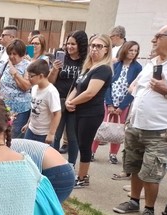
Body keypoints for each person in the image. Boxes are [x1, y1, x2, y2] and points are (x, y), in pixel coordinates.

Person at [112, 24, 167, 215]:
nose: (153, 40)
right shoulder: (152, 63)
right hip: (136, 125)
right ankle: (133, 201)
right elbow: (135, 86)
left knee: (152, 172)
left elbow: (166, 92)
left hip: (160, 130)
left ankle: (149, 210)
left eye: (158, 36)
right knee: (135, 166)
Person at [65, 34, 112, 188]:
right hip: (80, 111)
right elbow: (78, 87)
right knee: (81, 143)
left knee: (85, 145)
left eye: (99, 46)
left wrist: (72, 102)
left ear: (106, 50)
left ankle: (82, 177)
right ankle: (82, 175)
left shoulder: (103, 69)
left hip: (91, 113)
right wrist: (68, 101)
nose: (94, 49)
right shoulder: (88, 67)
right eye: (92, 45)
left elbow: (90, 93)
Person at [91, 41, 142, 163]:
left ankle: (113, 154)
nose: (133, 53)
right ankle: (92, 151)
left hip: (123, 103)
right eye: (131, 50)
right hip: (109, 100)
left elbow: (134, 88)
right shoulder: (115, 64)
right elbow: (107, 84)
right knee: (101, 126)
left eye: (135, 51)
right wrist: (109, 103)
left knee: (118, 128)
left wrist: (122, 106)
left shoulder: (138, 67)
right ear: (125, 50)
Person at [49, 30, 88, 165]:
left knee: (72, 137)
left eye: (73, 44)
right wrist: (54, 69)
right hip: (58, 101)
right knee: (55, 135)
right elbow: (50, 82)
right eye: (67, 44)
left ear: (81, 45)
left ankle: (71, 165)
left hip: (75, 103)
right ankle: (53, 164)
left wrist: (75, 100)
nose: (69, 47)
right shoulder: (61, 58)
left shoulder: (86, 62)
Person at [0, 39, 31, 138]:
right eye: (10, 54)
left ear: (21, 54)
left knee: (14, 137)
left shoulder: (27, 66)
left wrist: (15, 74)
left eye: (15, 54)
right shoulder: (6, 64)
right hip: (5, 108)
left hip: (20, 109)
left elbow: (26, 86)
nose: (12, 56)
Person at [23, 59, 61, 143]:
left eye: (31, 76)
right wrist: (28, 123)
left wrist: (51, 134)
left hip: (44, 133)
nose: (28, 78)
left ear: (40, 76)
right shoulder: (34, 88)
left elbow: (57, 114)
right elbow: (34, 108)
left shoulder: (51, 92)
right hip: (31, 129)